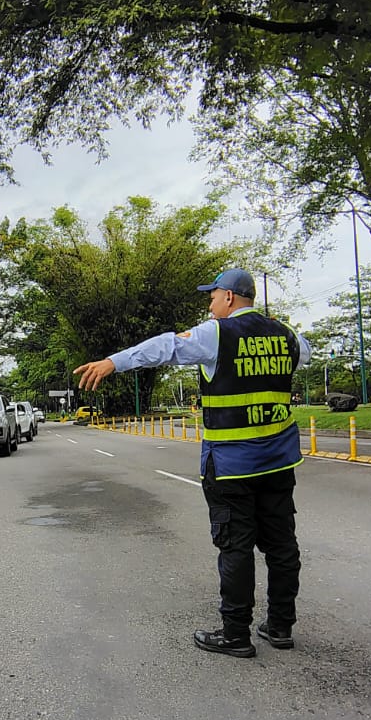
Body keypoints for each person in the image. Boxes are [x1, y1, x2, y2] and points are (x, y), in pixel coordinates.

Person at [73, 267, 310, 659]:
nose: (210, 303)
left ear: (230, 298)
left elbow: (166, 347)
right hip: (278, 462)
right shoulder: (286, 336)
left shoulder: (215, 334)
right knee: (282, 545)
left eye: (213, 295)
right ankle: (281, 625)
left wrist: (113, 362)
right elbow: (306, 352)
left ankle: (236, 634)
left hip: (232, 465)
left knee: (235, 547)